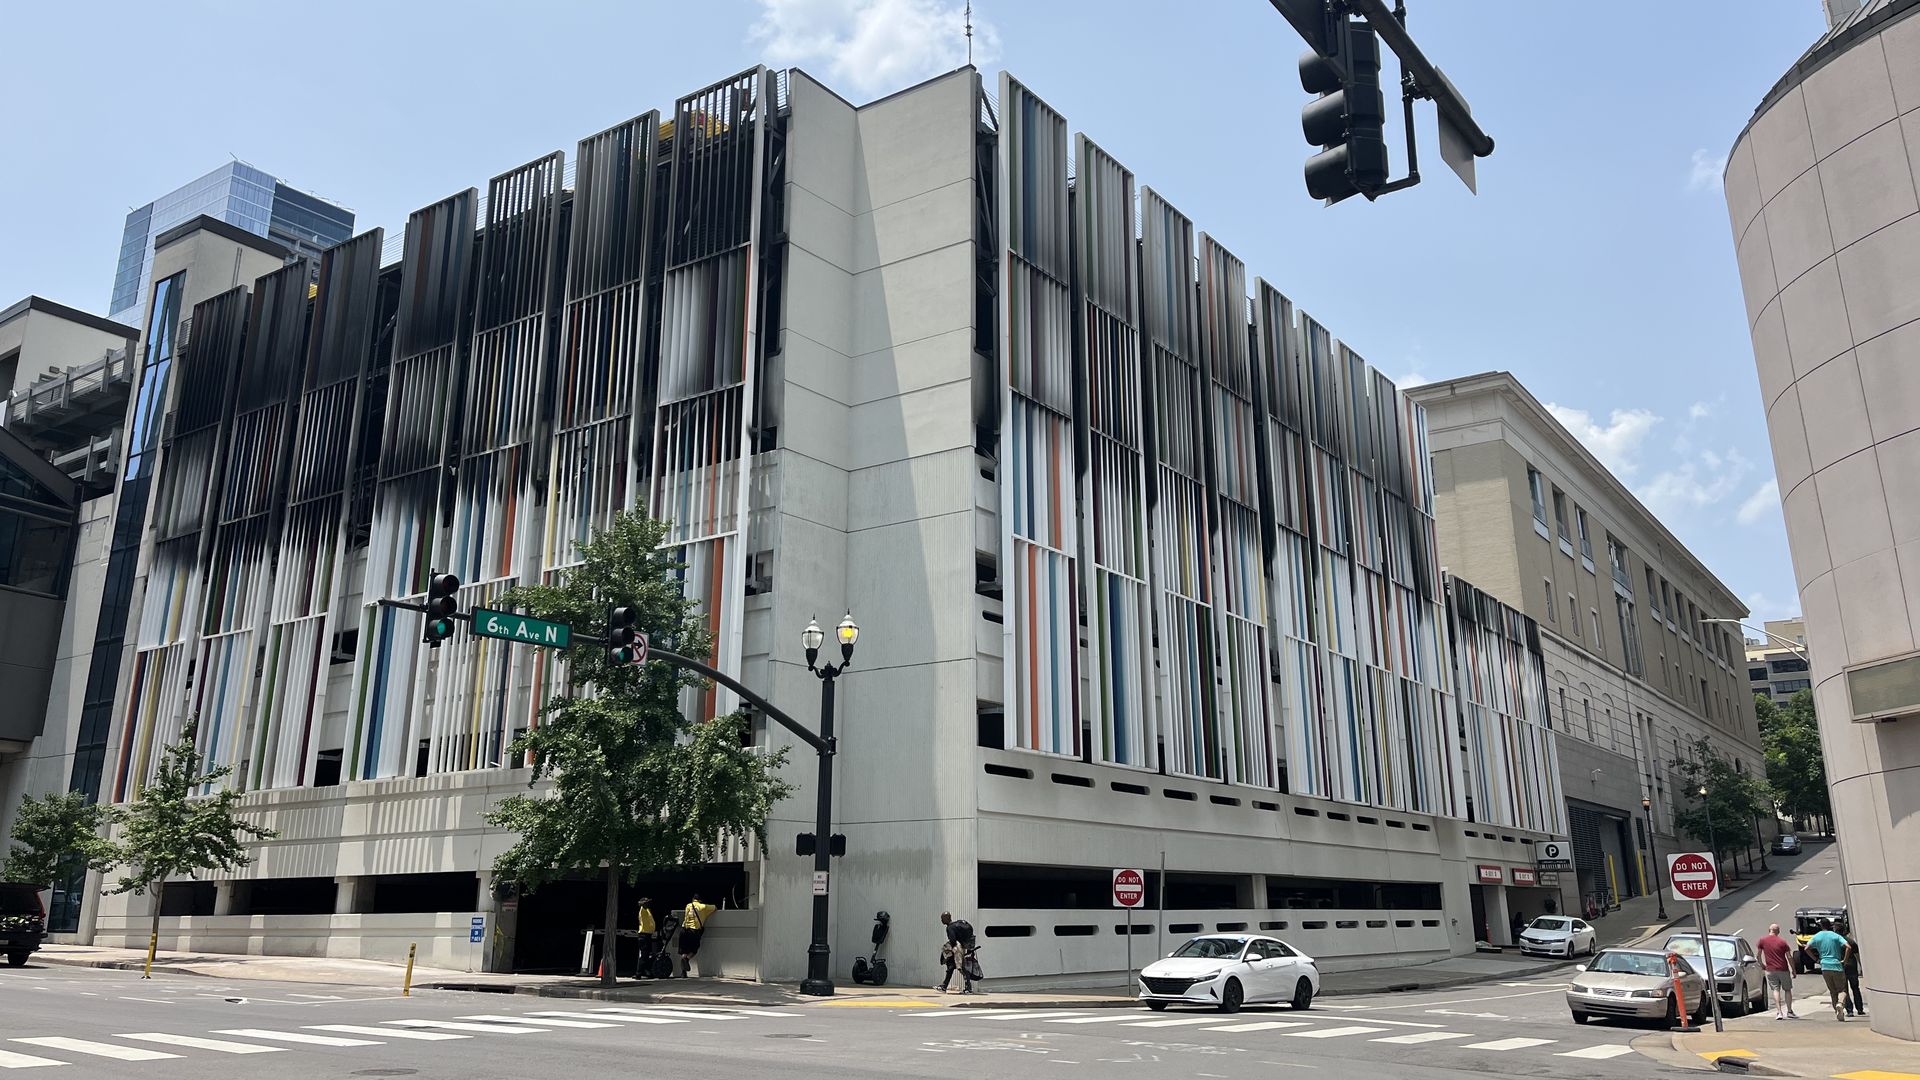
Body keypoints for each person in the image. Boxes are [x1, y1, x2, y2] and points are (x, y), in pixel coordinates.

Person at [1805, 917, 1852, 1021]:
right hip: (1836, 964)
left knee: (1832, 991)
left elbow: (1806, 948)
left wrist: (1816, 959)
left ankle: (1837, 1012)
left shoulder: (1817, 936)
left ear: (1821, 926)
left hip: (1824, 965)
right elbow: (1848, 947)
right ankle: (1840, 1004)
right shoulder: (1836, 936)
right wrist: (1845, 960)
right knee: (1842, 990)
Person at [1756, 922, 1799, 1019]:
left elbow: (1758, 955)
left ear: (1769, 930)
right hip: (1783, 969)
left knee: (1776, 989)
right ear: (1778, 931)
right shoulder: (1782, 942)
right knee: (1787, 989)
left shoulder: (1762, 940)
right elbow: (1789, 957)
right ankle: (1789, 1011)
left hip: (1770, 969)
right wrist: (1793, 969)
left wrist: (1762, 965)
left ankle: (1779, 1012)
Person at [936, 911, 976, 994]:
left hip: (958, 949)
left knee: (961, 967)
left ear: (947, 918)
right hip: (962, 947)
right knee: (950, 966)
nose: (941, 920)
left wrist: (948, 950)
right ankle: (944, 986)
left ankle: (968, 988)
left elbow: (953, 940)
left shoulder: (950, 927)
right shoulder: (956, 925)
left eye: (942, 918)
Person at [678, 893, 717, 978]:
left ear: (693, 899)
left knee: (684, 951)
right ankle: (687, 959)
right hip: (694, 931)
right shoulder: (703, 907)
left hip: (684, 930)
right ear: (701, 900)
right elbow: (715, 907)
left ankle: (683, 972)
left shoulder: (688, 905)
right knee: (694, 950)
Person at [1838, 921, 1865, 1017]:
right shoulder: (1851, 942)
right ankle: (1860, 1009)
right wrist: (1861, 968)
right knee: (1855, 988)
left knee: (1844, 990)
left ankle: (1849, 1010)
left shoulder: (1836, 942)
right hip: (1852, 967)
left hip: (1841, 967)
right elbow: (1857, 956)